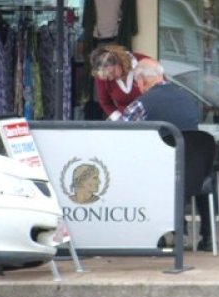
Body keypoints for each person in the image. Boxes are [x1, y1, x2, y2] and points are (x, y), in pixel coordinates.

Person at [122, 59, 211, 250]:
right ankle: (208, 238)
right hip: (195, 172)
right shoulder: (190, 99)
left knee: (139, 175)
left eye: (137, 83)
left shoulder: (142, 103)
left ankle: (160, 236)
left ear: (142, 80)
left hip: (162, 172)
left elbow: (121, 129)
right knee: (191, 174)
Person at [90, 44, 148, 120]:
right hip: (123, 118)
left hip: (148, 115)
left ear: (119, 61)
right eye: (107, 78)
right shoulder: (102, 75)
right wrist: (119, 119)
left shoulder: (144, 62)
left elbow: (159, 90)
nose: (111, 79)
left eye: (112, 72)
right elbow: (105, 103)